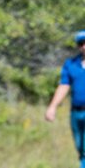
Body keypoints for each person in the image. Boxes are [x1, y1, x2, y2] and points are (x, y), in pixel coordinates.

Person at [45, 30, 85, 168]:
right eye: (81, 43)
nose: (84, 46)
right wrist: (52, 107)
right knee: (80, 146)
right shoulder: (71, 64)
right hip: (76, 112)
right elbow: (64, 86)